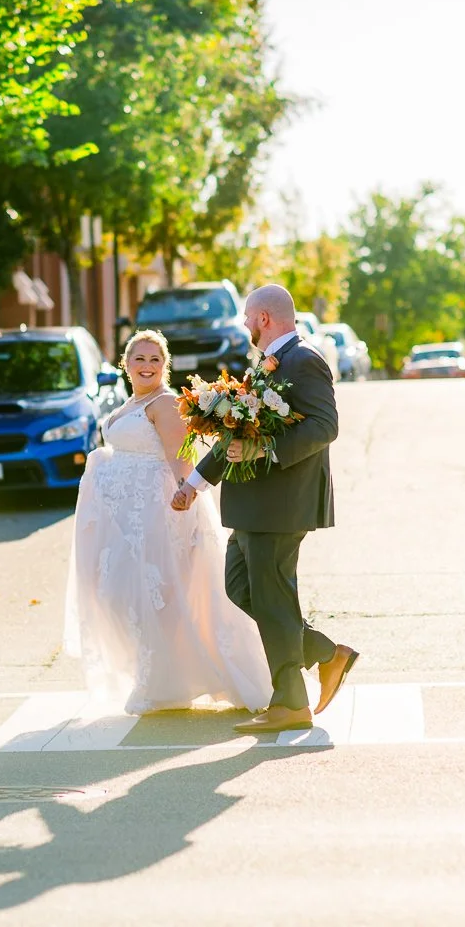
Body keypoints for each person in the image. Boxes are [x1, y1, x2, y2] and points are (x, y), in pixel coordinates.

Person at [171, 284, 358, 734]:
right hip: (255, 506)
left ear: (264, 318)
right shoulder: (266, 366)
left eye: (247, 317)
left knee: (272, 598)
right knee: (242, 589)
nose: (243, 325)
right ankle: (324, 653)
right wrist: (194, 483)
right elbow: (237, 433)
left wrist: (265, 451)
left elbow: (324, 425)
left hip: (281, 504)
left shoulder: (304, 360)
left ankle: (291, 701)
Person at [63, 330, 272, 715]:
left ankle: (165, 683)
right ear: (125, 364)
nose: (147, 366)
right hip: (126, 522)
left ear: (166, 365)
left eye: (155, 360)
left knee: (159, 599)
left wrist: (185, 493)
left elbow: (182, 459)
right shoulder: (128, 404)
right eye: (139, 359)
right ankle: (165, 676)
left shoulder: (165, 403)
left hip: (158, 516)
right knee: (118, 596)